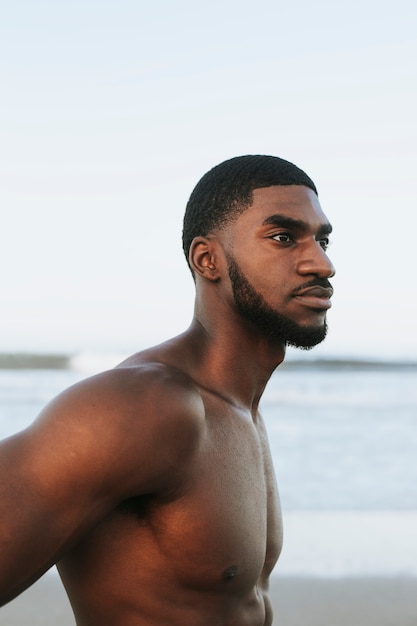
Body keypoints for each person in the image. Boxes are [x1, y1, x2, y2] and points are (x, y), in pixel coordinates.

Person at [0, 155, 335, 625]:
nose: (322, 264)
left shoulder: (240, 409)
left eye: (322, 239)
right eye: (283, 238)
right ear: (208, 260)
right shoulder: (145, 407)